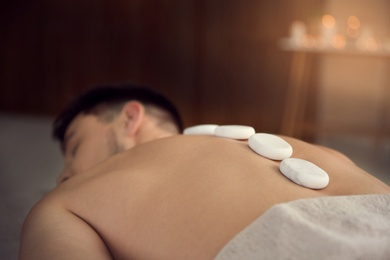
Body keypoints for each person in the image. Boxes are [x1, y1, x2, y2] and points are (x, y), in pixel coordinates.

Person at [19, 83, 390, 260]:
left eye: (75, 147)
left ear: (130, 118)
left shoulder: (67, 202)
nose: (62, 177)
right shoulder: (313, 150)